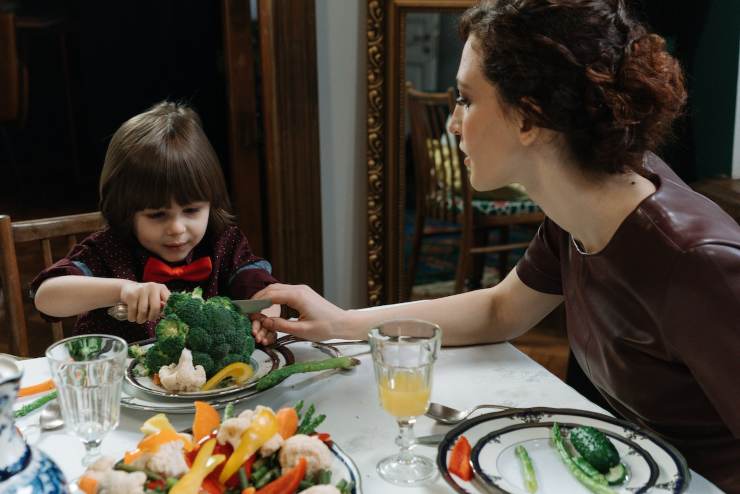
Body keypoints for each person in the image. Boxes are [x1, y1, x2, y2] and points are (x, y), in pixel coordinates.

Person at [250, 1, 740, 490]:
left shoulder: (698, 262)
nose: (453, 123)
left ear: (529, 117)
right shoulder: (580, 209)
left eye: (466, 99)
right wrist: (342, 323)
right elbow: (501, 310)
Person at [33, 101, 280, 344]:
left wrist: (265, 315)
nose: (176, 228)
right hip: (116, 379)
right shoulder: (107, 249)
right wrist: (122, 290)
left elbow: (263, 290)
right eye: (157, 215)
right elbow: (46, 297)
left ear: (211, 203)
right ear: (126, 212)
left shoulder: (224, 242)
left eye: (192, 210)